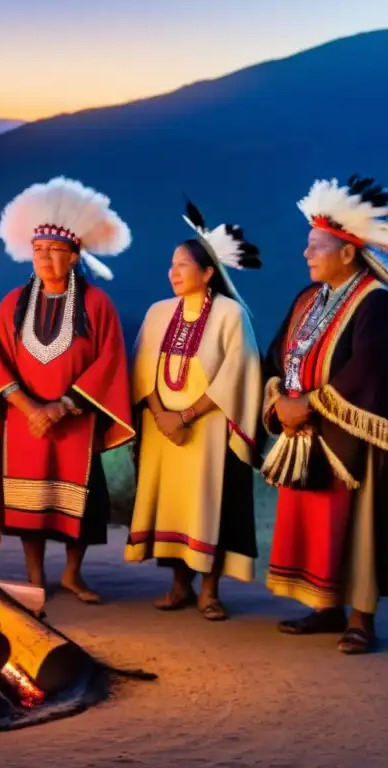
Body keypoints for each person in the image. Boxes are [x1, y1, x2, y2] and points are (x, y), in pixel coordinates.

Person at [0, 177, 135, 604]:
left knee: (76, 505)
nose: (44, 258)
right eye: (38, 250)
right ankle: (34, 575)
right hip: (23, 423)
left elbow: (110, 360)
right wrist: (28, 407)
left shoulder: (97, 305)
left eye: (55, 250)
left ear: (75, 255)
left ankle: (73, 575)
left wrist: (62, 406)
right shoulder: (12, 303)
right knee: (29, 506)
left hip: (74, 421)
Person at [261, 175, 388, 654]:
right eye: (308, 245)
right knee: (315, 521)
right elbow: (278, 356)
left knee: (358, 526)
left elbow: (370, 366)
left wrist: (309, 405)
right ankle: (324, 606)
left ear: (348, 253)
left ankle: (361, 618)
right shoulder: (306, 299)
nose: (306, 254)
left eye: (316, 247)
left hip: (351, 438)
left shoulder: (374, 302)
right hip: (303, 434)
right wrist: (281, 402)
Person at [125, 200, 263, 620]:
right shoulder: (157, 313)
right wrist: (163, 416)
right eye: (171, 264)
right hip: (163, 431)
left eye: (183, 265)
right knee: (171, 505)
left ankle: (210, 591)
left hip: (209, 430)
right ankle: (179, 586)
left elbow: (239, 373)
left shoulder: (230, 315)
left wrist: (185, 416)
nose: (174, 272)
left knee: (210, 505)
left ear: (208, 273)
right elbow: (142, 370)